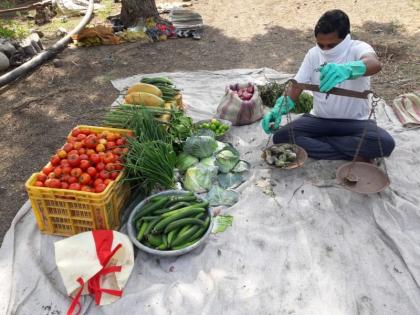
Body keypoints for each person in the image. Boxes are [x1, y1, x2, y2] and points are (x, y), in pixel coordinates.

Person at [261, 9, 395, 161]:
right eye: (320, 44)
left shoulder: (358, 48)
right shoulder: (313, 54)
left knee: (385, 143)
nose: (325, 49)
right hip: (319, 120)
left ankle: (320, 144)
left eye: (331, 45)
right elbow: (297, 85)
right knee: (281, 136)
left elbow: (374, 64)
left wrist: (349, 69)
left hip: (355, 124)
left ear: (345, 39)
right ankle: (352, 151)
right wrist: (279, 108)